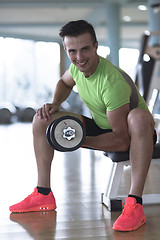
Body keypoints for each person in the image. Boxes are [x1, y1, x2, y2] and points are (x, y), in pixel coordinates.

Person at [9, 20, 157, 232]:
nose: (79, 58)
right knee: (42, 118)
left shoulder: (111, 82)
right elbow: (64, 82)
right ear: (66, 49)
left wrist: (76, 140)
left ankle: (134, 204)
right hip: (103, 126)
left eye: (85, 49)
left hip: (134, 135)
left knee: (139, 117)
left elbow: (122, 140)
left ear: (96, 46)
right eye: (72, 51)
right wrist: (55, 104)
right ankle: (43, 193)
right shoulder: (76, 68)